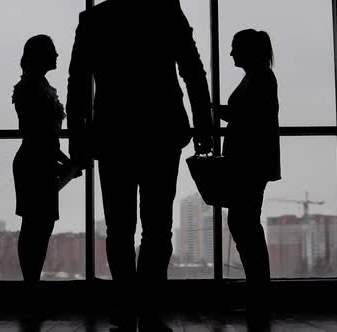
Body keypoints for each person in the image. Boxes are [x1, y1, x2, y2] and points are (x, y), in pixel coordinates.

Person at [66, 0, 213, 327]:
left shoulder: (95, 19)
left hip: (113, 133)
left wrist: (78, 139)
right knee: (157, 226)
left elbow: (78, 81)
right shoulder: (166, 11)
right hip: (161, 130)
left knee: (119, 228)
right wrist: (203, 122)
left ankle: (126, 302)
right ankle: (149, 304)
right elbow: (192, 69)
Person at [212, 29, 281, 312]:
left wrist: (219, 111)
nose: (230, 53)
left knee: (244, 224)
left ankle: (259, 293)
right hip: (251, 162)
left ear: (248, 49)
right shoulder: (259, 76)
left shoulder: (260, 77)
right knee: (246, 223)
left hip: (249, 163)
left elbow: (250, 117)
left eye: (234, 48)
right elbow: (253, 115)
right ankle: (258, 291)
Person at [12, 34, 80, 283]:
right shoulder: (33, 88)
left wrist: (63, 161)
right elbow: (39, 135)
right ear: (40, 55)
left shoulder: (31, 86)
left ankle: (31, 285)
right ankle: (31, 285)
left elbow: (40, 136)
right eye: (52, 50)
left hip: (37, 160)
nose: (57, 55)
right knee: (37, 227)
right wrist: (65, 161)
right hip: (36, 162)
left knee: (36, 226)